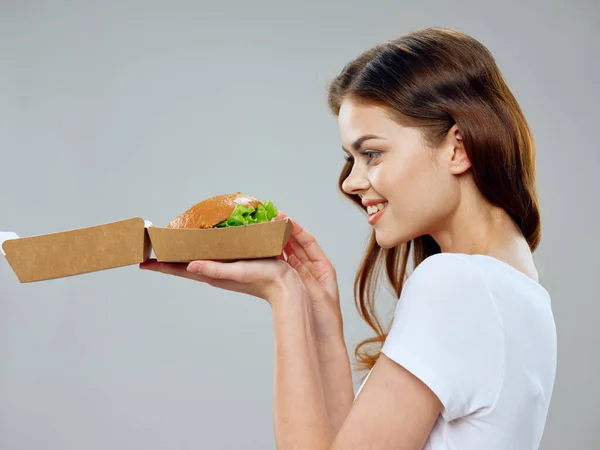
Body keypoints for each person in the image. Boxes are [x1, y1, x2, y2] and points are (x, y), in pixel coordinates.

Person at [140, 27, 557, 450]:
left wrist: (283, 295)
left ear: (457, 149)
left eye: (372, 153)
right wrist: (319, 316)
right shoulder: (516, 287)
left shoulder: (456, 284)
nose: (351, 182)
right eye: (350, 159)